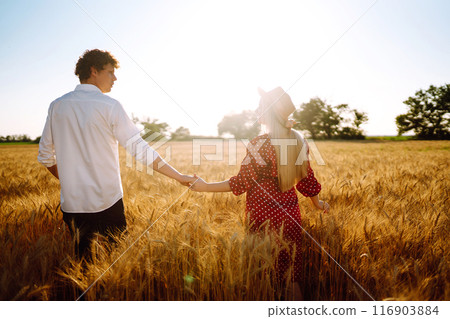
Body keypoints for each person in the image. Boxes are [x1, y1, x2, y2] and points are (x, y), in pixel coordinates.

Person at [38, 49, 195, 259]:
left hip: (73, 205)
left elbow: (45, 155)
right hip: (108, 202)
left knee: (82, 263)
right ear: (94, 71)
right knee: (118, 261)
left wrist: (69, 181)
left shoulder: (57, 106)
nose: (115, 78)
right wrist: (179, 177)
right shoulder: (109, 106)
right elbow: (140, 150)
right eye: (110, 72)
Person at [191, 87, 329, 299]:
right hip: (291, 216)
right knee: (290, 275)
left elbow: (241, 183)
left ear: (270, 113)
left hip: (262, 216)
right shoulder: (299, 141)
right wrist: (317, 203)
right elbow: (306, 178)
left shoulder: (259, 144)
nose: (257, 110)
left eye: (261, 107)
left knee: (263, 273)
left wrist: (205, 186)